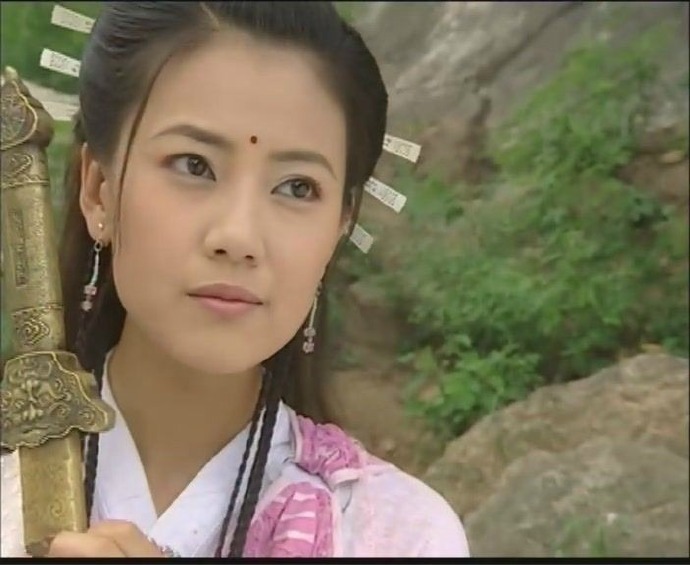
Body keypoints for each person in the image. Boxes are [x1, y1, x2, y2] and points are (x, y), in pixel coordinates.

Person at [0, 2, 470, 558]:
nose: (239, 236)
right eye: (193, 165)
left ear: (340, 227)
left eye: (297, 187)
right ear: (99, 190)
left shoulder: (400, 534)